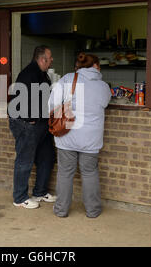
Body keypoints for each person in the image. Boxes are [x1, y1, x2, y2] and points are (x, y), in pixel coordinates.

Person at [49, 53, 111, 218]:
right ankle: (93, 210)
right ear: (96, 66)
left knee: (65, 172)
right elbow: (104, 103)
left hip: (67, 134)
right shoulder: (103, 86)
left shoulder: (67, 79)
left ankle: (61, 210)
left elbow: (52, 104)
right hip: (91, 138)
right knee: (90, 172)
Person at [8, 45, 57, 209]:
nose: (52, 61)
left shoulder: (42, 74)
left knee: (47, 157)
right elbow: (22, 100)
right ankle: (20, 198)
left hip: (41, 124)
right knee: (25, 160)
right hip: (27, 124)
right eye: (50, 58)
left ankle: (40, 192)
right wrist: (31, 119)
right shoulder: (29, 74)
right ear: (42, 59)